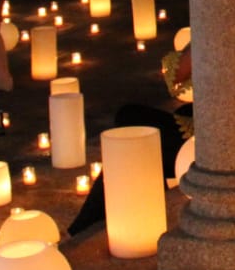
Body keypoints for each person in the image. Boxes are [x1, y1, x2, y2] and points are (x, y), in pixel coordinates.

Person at [67, 43, 191, 237]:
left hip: (208, 141)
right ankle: (84, 228)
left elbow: (177, 73)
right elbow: (174, 76)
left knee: (134, 132)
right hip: (202, 124)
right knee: (132, 125)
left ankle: (81, 230)